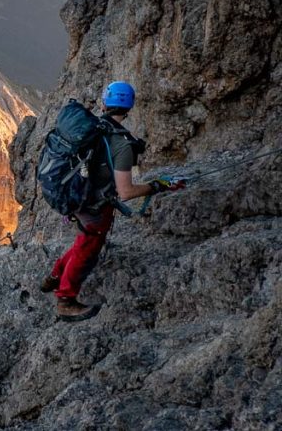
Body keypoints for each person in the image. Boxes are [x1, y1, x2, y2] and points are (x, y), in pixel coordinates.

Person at [40, 81, 184, 321]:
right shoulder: (121, 144)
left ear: (105, 102)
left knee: (82, 240)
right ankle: (65, 299)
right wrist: (157, 186)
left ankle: (55, 275)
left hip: (77, 196)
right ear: (129, 107)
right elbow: (125, 192)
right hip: (93, 206)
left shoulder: (93, 129)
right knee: (88, 249)